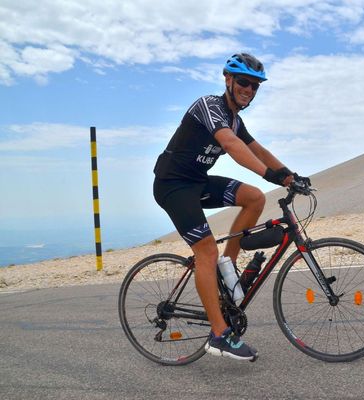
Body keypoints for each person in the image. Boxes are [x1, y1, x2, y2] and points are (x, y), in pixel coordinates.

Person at [153, 53, 308, 361]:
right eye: (243, 82)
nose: (248, 90)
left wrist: (289, 175)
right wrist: (270, 175)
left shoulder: (237, 120)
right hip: (173, 185)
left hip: (196, 182)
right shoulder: (208, 107)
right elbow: (233, 147)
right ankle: (218, 334)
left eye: (254, 86)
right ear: (228, 80)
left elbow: (257, 149)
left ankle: (228, 267)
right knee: (205, 251)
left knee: (255, 198)